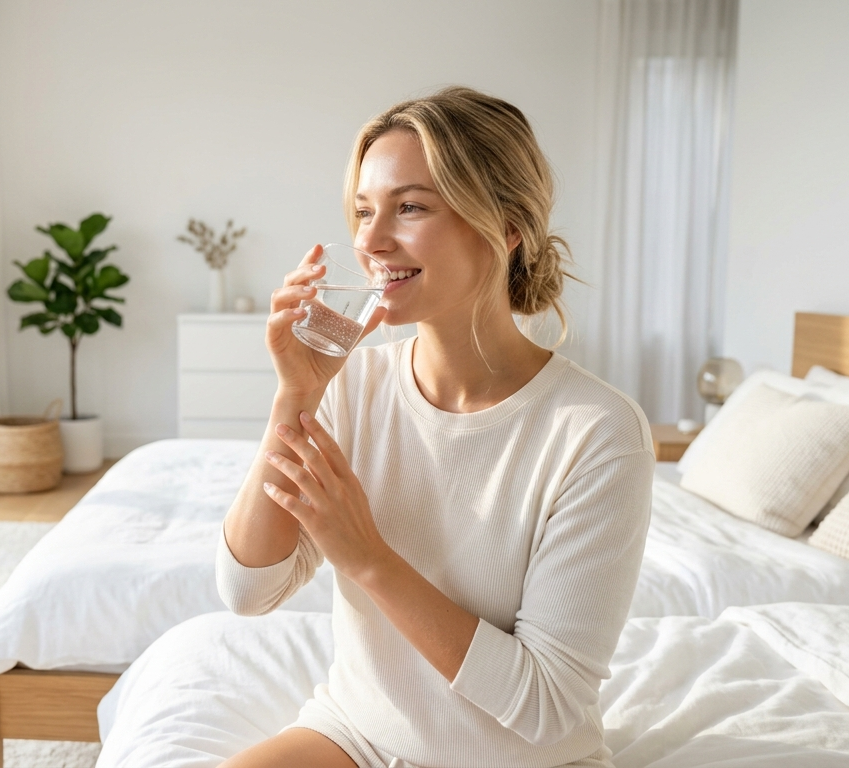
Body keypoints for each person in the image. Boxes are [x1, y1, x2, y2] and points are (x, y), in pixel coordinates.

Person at [214, 87, 655, 768]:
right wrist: (295, 398)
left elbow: (545, 705)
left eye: (410, 207)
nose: (369, 240)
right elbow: (249, 593)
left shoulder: (595, 431)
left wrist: (368, 559)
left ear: (507, 228)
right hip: (356, 737)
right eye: (363, 211)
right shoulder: (350, 385)